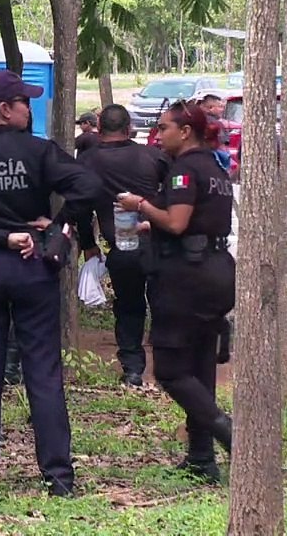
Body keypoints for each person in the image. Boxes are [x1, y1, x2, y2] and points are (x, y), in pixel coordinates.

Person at [0, 70, 101, 497]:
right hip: (31, 266)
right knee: (43, 372)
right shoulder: (38, 151)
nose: (29, 108)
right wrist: (56, 225)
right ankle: (59, 477)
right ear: (5, 109)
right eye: (25, 102)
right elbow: (90, 185)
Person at [115, 101, 235, 485]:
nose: (158, 134)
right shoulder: (214, 166)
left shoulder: (184, 170)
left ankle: (231, 435)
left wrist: (142, 206)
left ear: (185, 132)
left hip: (187, 278)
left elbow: (179, 222)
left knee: (169, 367)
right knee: (199, 363)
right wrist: (157, 225)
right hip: (215, 268)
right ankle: (202, 457)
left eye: (164, 128)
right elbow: (197, 221)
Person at [75, 105, 168, 388]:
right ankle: (167, 369)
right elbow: (178, 194)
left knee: (128, 308)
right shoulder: (153, 156)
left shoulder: (87, 162)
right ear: (129, 129)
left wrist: (88, 244)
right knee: (164, 306)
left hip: (123, 247)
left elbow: (79, 209)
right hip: (159, 243)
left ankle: (133, 370)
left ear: (98, 127)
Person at [196, 92, 232, 171]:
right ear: (210, 108)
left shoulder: (195, 120)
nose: (222, 110)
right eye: (220, 107)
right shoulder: (215, 124)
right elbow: (222, 146)